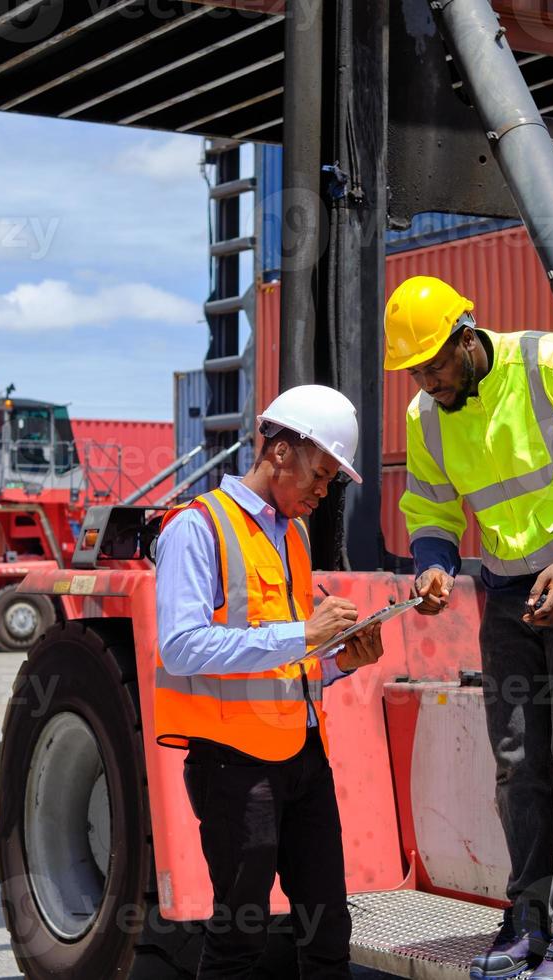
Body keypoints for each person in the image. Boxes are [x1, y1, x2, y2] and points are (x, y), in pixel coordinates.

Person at [385, 275, 553, 980]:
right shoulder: (425, 416)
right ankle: (527, 914)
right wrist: (435, 565)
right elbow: (431, 510)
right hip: (506, 593)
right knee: (516, 758)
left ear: (468, 338)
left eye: (437, 364)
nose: (430, 380)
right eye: (417, 370)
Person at [154, 384, 385, 980]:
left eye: (332, 479)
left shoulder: (295, 536)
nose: (323, 490)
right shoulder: (196, 527)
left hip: (305, 758)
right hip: (233, 768)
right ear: (281, 451)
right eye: (321, 472)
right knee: (240, 939)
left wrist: (341, 661)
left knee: (329, 929)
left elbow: (288, 662)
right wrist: (305, 635)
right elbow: (180, 648)